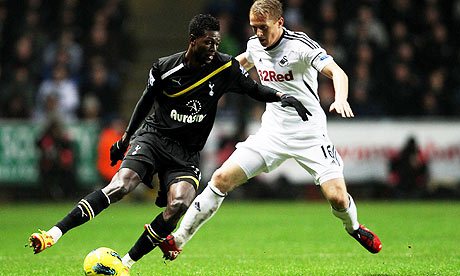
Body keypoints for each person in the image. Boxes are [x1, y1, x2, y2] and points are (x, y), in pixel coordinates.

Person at [27, 14, 310, 275]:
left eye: (217, 42)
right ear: (193, 40)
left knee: (180, 203)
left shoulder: (225, 67)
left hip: (186, 153)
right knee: (121, 185)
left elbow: (254, 89)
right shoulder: (164, 67)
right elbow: (145, 101)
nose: (213, 47)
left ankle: (125, 265)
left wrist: (280, 97)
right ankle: (52, 234)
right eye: (208, 42)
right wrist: (126, 137)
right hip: (154, 138)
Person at [159, 0, 382, 261]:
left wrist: (341, 98)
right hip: (272, 134)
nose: (259, 34)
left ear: (280, 23)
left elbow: (338, 73)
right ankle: (178, 240)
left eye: (263, 28)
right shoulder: (255, 45)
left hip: (310, 135)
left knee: (338, 199)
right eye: (254, 28)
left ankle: (354, 228)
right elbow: (239, 64)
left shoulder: (300, 46)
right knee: (220, 179)